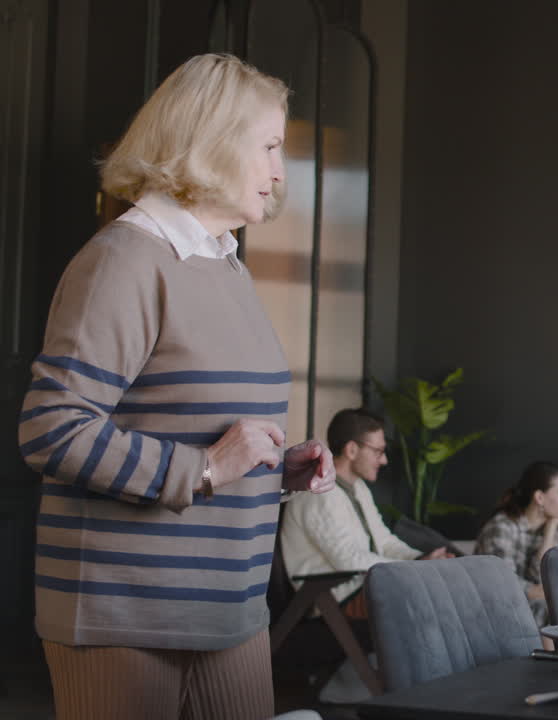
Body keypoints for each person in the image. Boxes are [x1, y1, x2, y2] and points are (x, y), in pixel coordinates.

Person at [17, 53, 337, 720]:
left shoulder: (223, 265)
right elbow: (52, 430)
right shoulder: (122, 261)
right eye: (271, 147)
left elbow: (194, 431)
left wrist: (272, 468)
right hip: (124, 616)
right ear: (212, 143)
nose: (280, 172)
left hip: (229, 612)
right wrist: (207, 467)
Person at [280, 408, 453, 620]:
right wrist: (413, 568)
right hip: (333, 600)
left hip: (363, 586)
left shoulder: (358, 488)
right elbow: (349, 560)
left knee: (443, 584)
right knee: (432, 596)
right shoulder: (318, 492)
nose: (384, 460)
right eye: (378, 451)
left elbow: (384, 541)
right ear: (352, 450)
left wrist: (419, 559)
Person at [474, 461, 558, 626]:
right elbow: (503, 585)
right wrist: (543, 593)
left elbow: (539, 576)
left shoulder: (549, 529)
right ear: (539, 497)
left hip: (528, 604)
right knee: (549, 607)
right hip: (493, 607)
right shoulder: (501, 528)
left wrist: (551, 528)